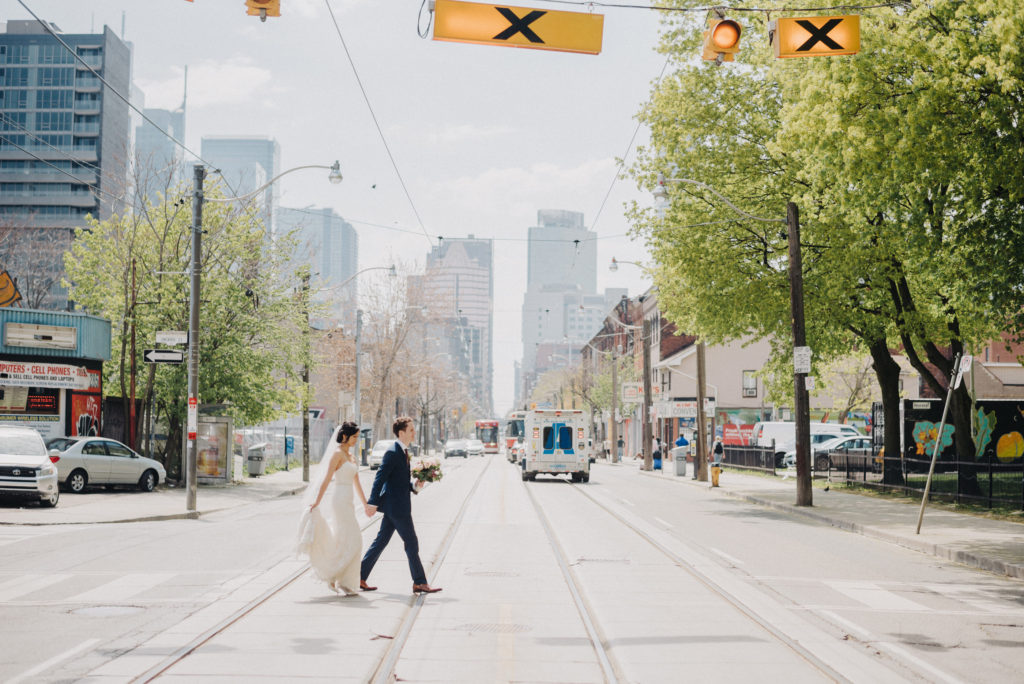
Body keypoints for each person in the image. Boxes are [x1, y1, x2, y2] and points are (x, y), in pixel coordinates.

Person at [360, 416, 441, 594]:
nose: (414, 432)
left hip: (395, 506)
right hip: (398, 508)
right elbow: (380, 478)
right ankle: (419, 581)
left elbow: (400, 483)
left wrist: (415, 486)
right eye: (411, 430)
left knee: (380, 542)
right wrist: (372, 502)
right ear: (402, 432)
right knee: (411, 543)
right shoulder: (393, 452)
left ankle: (359, 575)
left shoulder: (402, 452)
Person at [298, 421, 368, 596]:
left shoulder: (351, 456)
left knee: (345, 539)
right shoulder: (337, 455)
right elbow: (327, 479)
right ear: (344, 436)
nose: (356, 440)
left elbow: (357, 482)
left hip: (349, 500)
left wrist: (365, 504)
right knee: (354, 539)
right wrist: (317, 502)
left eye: (357, 437)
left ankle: (345, 582)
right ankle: (334, 575)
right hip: (339, 499)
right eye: (354, 437)